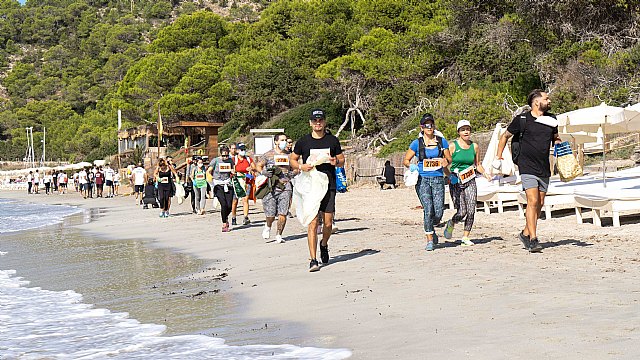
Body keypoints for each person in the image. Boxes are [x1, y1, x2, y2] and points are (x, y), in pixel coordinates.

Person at [496, 89, 561, 252]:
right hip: (526, 166)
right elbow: (505, 136)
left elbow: (555, 138)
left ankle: (525, 233)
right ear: (536, 102)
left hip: (544, 166)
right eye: (546, 98)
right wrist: (499, 156)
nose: (549, 101)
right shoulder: (522, 119)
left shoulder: (552, 119)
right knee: (532, 201)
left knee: (539, 203)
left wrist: (559, 143)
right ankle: (533, 239)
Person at [290, 109, 345, 272]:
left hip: (329, 184)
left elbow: (341, 160)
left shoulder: (332, 140)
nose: (318, 123)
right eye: (315, 120)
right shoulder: (303, 142)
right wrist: (301, 166)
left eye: (320, 120)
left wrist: (336, 161)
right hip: (310, 186)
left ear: (324, 122)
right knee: (313, 223)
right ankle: (313, 260)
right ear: (310, 123)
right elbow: (292, 159)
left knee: (328, 223)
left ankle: (324, 244)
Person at [403, 113, 451, 252]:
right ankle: (429, 239)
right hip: (422, 180)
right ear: (422, 127)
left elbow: (449, 159)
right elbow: (406, 160)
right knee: (428, 209)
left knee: (438, 212)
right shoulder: (416, 143)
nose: (429, 127)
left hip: (438, 179)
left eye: (431, 125)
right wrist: (411, 166)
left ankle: (432, 226)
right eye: (426, 125)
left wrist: (445, 161)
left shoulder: (442, 141)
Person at [443, 120, 492, 246]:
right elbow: (444, 164)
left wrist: (486, 174)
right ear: (458, 132)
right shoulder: (453, 146)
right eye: (463, 129)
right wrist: (450, 176)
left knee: (471, 210)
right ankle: (452, 223)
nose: (466, 132)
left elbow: (478, 164)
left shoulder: (474, 146)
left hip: (470, 179)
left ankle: (465, 237)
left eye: (468, 129)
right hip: (455, 180)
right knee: (462, 212)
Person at [256, 133, 296, 244]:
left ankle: (279, 234)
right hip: (271, 186)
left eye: (285, 140)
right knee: (271, 214)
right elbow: (258, 165)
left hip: (285, 186)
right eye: (282, 140)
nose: (284, 142)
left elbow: (297, 168)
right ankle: (268, 226)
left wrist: (292, 173)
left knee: (283, 213)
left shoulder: (290, 155)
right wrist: (264, 172)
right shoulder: (268, 155)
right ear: (276, 142)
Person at [208, 146, 235, 232]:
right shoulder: (215, 161)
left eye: (227, 156)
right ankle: (224, 223)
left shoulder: (230, 161)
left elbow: (233, 170)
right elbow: (209, 171)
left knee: (229, 206)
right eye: (223, 156)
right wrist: (211, 179)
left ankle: (225, 216)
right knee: (223, 204)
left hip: (228, 183)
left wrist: (232, 171)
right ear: (220, 154)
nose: (225, 158)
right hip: (218, 184)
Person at [230, 143, 255, 226]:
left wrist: (251, 168)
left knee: (245, 199)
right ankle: (233, 217)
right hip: (237, 181)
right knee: (235, 200)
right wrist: (233, 172)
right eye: (241, 149)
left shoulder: (248, 159)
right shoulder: (234, 160)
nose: (243, 151)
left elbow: (254, 167)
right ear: (237, 150)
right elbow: (231, 169)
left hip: (247, 181)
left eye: (244, 149)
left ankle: (245, 217)